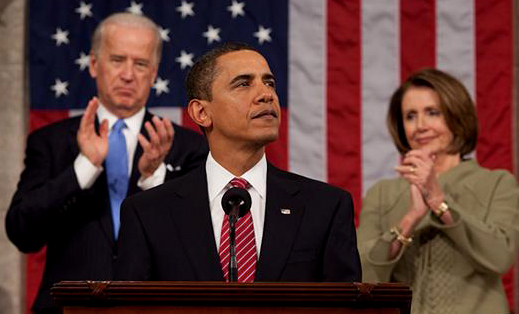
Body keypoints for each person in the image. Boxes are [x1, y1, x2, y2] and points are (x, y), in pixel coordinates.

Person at [5, 13, 207, 314]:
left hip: (151, 308)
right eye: (117, 60)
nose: (128, 74)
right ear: (94, 64)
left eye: (140, 64)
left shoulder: (187, 147)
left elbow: (199, 242)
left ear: (154, 74)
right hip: (67, 308)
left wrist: (153, 177)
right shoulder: (51, 141)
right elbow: (22, 231)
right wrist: (84, 167)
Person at [115, 42, 361, 283]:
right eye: (244, 84)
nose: (266, 95)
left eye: (270, 83)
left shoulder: (326, 207)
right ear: (201, 112)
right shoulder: (147, 214)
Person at [357, 68, 519, 314]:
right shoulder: (382, 194)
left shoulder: (497, 183)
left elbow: (500, 257)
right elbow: (362, 273)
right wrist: (409, 220)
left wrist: (439, 202)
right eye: (410, 116)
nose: (420, 126)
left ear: (457, 115)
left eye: (432, 113)